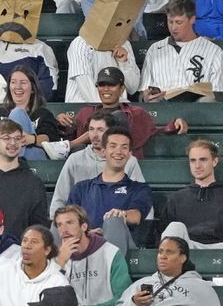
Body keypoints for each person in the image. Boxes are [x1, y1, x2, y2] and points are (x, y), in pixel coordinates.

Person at [57, 67, 189, 161]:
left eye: (111, 85)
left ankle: (72, 144)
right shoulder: (85, 113)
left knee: (118, 117)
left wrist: (174, 124)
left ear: (122, 89)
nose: (106, 89)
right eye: (102, 85)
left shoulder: (137, 114)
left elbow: (155, 133)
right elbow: (65, 132)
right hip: (91, 165)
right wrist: (60, 121)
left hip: (123, 163)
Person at [67, 127, 153, 255]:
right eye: (113, 146)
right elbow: (69, 223)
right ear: (103, 151)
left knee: (113, 220)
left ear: (130, 154)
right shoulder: (81, 188)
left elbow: (136, 216)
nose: (118, 151)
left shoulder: (139, 189)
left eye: (124, 147)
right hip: (85, 248)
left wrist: (121, 215)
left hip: (123, 250)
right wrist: (87, 234)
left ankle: (112, 273)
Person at [50, 112, 148, 218]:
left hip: (117, 224)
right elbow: (59, 199)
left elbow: (141, 200)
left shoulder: (128, 161)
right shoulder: (75, 159)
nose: (94, 135)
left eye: (100, 130)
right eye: (91, 129)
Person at [159, 140, 223, 249]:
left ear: (215, 161)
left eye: (203, 160)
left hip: (222, 250)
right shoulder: (177, 199)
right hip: (186, 251)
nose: (197, 166)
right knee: (175, 228)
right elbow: (163, 232)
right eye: (193, 161)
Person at [139, 0, 223, 102]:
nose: (173, 28)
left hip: (198, 111)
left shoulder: (214, 51)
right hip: (163, 108)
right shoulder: (154, 49)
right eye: (170, 22)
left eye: (179, 22)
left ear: (192, 19)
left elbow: (219, 93)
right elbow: (143, 92)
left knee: (208, 100)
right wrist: (145, 96)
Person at [54, 204, 131, 305]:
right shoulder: (57, 260)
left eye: (69, 223)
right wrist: (60, 263)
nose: (64, 230)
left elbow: (124, 297)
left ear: (84, 226)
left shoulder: (111, 253)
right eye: (59, 225)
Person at [0, 67, 62, 160]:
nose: (18, 87)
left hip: (34, 159)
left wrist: (30, 139)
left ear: (32, 89)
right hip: (4, 158)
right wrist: (16, 140)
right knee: (17, 113)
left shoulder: (43, 114)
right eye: (13, 82)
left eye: (23, 82)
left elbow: (49, 141)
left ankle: (17, 162)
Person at [116, 236, 221, 306]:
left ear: (183, 258)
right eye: (160, 252)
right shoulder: (143, 283)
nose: (163, 256)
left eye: (169, 252)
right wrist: (133, 301)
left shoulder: (199, 286)